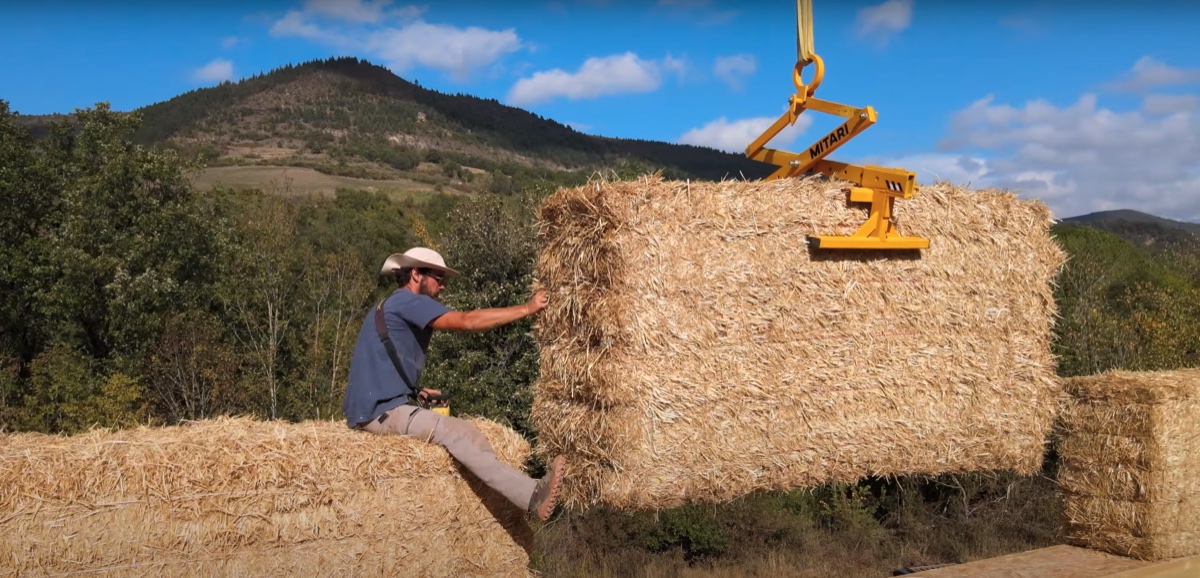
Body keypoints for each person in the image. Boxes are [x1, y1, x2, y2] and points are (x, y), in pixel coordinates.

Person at [342, 247, 566, 522]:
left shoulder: (389, 305)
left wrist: (414, 390)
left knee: (462, 431)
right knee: (458, 433)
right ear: (415, 274)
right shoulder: (408, 301)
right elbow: (467, 321)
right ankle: (533, 496)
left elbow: (379, 360)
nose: (443, 285)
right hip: (380, 412)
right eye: (438, 277)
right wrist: (527, 308)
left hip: (374, 408)